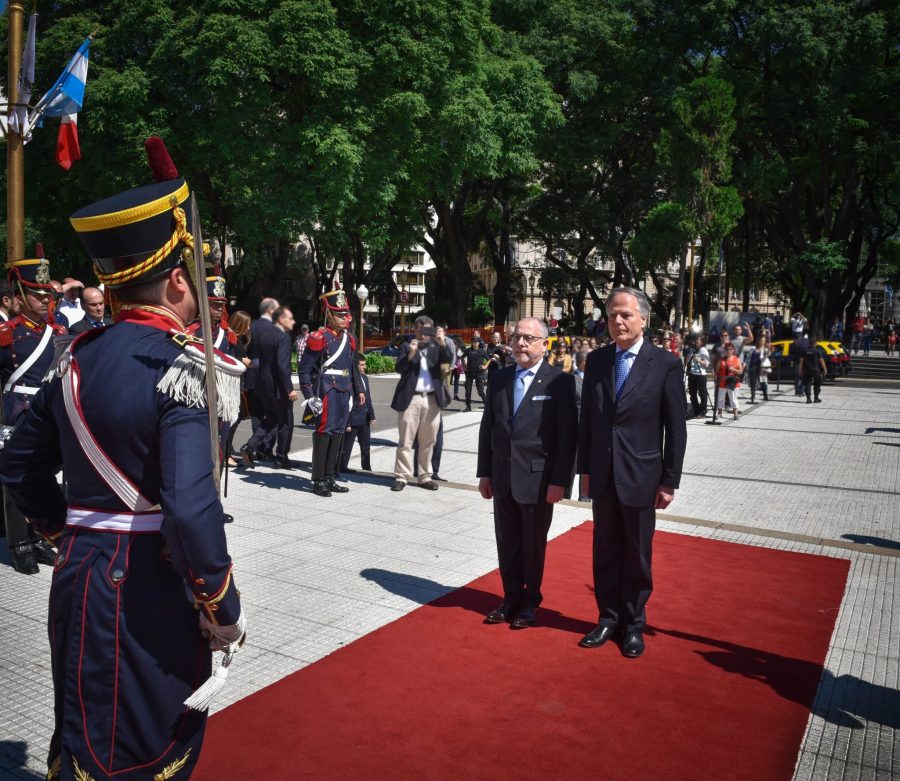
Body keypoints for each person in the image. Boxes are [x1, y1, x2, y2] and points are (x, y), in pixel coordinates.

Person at [0, 138, 245, 780]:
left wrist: (65, 530)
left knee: (83, 730)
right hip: (146, 587)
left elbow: (19, 466)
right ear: (173, 278)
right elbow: (192, 513)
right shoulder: (183, 367)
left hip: (79, 577)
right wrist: (223, 606)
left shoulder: (76, 357)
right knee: (136, 753)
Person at [577, 287, 687, 658]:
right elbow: (588, 422)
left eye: (625, 314)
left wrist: (669, 480)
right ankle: (607, 618)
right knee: (605, 549)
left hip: (642, 476)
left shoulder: (666, 364)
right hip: (604, 475)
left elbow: (676, 427)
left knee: (638, 555)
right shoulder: (597, 361)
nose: (618, 321)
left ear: (644, 319)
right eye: (612, 315)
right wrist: (585, 472)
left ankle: (633, 624)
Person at [477, 317, 576, 628]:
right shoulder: (500, 378)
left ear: (543, 344)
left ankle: (530, 601)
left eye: (528, 338)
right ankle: (509, 598)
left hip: (538, 480)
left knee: (533, 544)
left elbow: (567, 437)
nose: (520, 343)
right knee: (507, 541)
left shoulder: (559, 381)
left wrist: (560, 482)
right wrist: (485, 473)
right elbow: (487, 428)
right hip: (503, 476)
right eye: (517, 336)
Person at [0, 256, 68, 574]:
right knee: (15, 480)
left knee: (42, 474)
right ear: (21, 296)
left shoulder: (58, 332)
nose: (45, 300)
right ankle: (19, 545)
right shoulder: (8, 334)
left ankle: (38, 535)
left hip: (47, 412)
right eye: (38, 295)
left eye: (47, 295)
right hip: (14, 412)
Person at [298, 290, 362, 497]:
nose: (345, 319)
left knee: (339, 432)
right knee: (324, 432)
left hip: (344, 390)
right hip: (326, 389)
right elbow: (305, 369)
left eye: (346, 315)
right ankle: (318, 480)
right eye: (340, 315)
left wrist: (358, 390)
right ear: (329, 315)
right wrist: (309, 396)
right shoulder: (319, 337)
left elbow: (353, 368)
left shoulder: (349, 339)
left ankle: (330, 476)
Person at [389, 315, 454, 491]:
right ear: (414, 329)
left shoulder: (436, 346)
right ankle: (401, 477)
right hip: (411, 398)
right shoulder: (406, 345)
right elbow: (399, 368)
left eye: (427, 330)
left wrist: (441, 342)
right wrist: (411, 353)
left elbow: (448, 361)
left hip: (432, 398)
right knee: (406, 440)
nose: (423, 334)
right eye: (420, 330)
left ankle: (425, 476)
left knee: (429, 440)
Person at [241, 297, 279, 463]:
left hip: (251, 378)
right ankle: (264, 449)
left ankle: (256, 448)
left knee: (257, 416)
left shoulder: (251, 328)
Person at [341, 354, 375, 473]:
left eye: (364, 364)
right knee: (347, 445)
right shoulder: (349, 380)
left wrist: (371, 415)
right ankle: (342, 466)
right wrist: (347, 422)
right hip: (353, 417)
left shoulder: (365, 378)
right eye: (361, 365)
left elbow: (368, 398)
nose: (364, 367)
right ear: (355, 366)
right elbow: (347, 402)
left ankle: (367, 467)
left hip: (365, 417)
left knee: (366, 445)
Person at [684, 334, 710, 418]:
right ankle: (696, 410)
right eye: (696, 340)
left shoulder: (703, 350)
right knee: (692, 394)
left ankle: (703, 411)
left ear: (702, 341)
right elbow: (687, 361)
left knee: (702, 394)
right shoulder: (692, 349)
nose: (696, 341)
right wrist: (688, 357)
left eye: (698, 340)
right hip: (692, 374)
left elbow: (706, 364)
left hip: (701, 374)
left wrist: (699, 360)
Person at [716, 342, 744, 420]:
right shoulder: (721, 359)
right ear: (725, 350)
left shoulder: (736, 359)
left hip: (733, 382)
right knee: (720, 398)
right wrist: (716, 380)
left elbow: (741, 371)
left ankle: (735, 414)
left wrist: (733, 369)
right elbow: (717, 371)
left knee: (733, 398)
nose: (729, 351)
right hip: (722, 382)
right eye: (727, 349)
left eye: (730, 349)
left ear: (733, 350)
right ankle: (719, 413)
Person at [462, 337, 488, 411]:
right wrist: (464, 365)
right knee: (468, 390)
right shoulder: (468, 350)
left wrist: (485, 366)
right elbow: (462, 357)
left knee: (480, 391)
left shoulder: (482, 351)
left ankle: (487, 405)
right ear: (472, 343)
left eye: (476, 342)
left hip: (479, 373)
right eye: (474, 342)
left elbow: (489, 359)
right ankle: (468, 406)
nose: (475, 343)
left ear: (479, 343)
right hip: (469, 372)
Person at [799, 339, 826, 403]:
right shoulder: (817, 351)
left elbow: (801, 361)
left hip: (807, 370)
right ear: (815, 344)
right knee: (817, 384)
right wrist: (824, 369)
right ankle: (816, 398)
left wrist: (800, 369)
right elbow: (821, 361)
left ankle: (808, 399)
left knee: (807, 384)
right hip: (816, 370)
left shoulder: (804, 351)